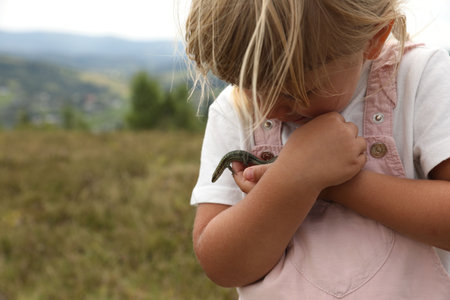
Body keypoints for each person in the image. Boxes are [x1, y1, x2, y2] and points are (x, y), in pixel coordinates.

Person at [185, 0, 450, 298]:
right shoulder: (235, 112)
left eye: (298, 90)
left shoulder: (419, 78)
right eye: (248, 84)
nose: (268, 108)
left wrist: (337, 186)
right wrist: (290, 180)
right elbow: (223, 266)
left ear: (373, 39)